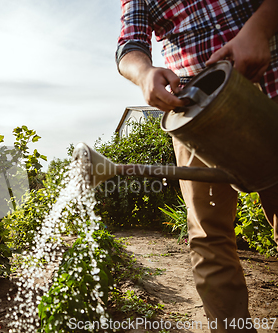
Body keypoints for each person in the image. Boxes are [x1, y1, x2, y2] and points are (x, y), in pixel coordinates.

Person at [116, 1, 278, 332]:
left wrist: (261, 28)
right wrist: (144, 73)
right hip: (195, 111)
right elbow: (129, 46)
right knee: (208, 235)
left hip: (268, 81)